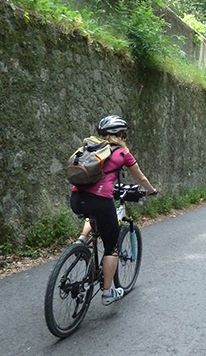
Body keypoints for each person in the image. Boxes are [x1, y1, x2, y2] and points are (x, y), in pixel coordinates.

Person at [70, 115, 157, 305]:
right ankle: (108, 292)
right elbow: (140, 178)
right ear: (120, 135)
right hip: (101, 200)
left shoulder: (88, 149)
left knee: (91, 216)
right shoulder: (122, 153)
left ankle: (81, 242)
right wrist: (151, 191)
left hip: (76, 199)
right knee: (111, 247)